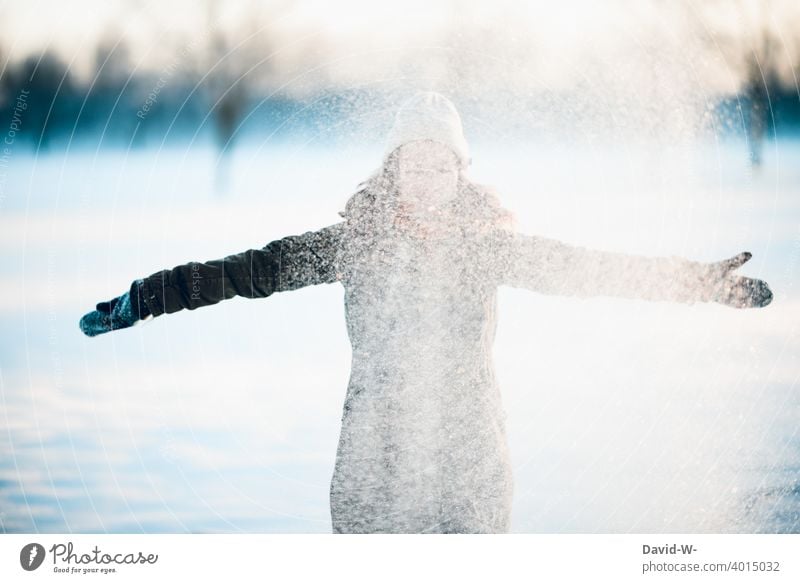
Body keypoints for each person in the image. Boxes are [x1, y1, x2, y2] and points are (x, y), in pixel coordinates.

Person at [79, 91, 773, 533]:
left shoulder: (486, 248)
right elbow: (241, 273)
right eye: (415, 164)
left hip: (468, 460)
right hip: (372, 461)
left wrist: (696, 283)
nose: (429, 179)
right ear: (393, 170)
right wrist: (147, 297)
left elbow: (585, 268)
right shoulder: (350, 247)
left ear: (460, 173)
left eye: (443, 166)